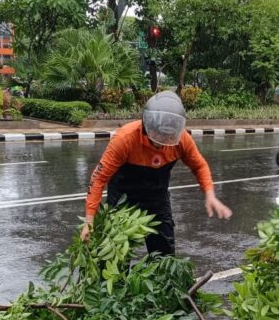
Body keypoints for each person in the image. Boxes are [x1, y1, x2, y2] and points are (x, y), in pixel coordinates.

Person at [80, 91, 232, 255]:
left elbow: (199, 165)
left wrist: (210, 194)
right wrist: (89, 220)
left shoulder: (181, 139)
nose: (163, 142)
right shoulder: (125, 139)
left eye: (168, 136)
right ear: (148, 125)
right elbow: (99, 179)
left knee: (164, 256)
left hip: (157, 199)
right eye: (159, 135)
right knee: (115, 255)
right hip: (122, 200)